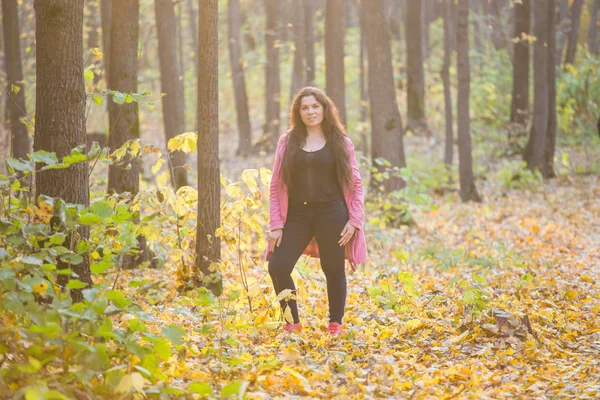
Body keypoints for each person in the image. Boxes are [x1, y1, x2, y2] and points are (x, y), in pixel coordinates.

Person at [265, 87, 367, 337]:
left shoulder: (340, 142)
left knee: (333, 269)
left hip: (332, 213)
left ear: (324, 109)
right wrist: (276, 224)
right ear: (298, 113)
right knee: (278, 265)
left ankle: (335, 323)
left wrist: (354, 221)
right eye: (305, 107)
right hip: (297, 216)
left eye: (315, 106)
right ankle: (292, 321)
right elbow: (277, 184)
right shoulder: (287, 142)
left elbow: (356, 184)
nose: (310, 111)